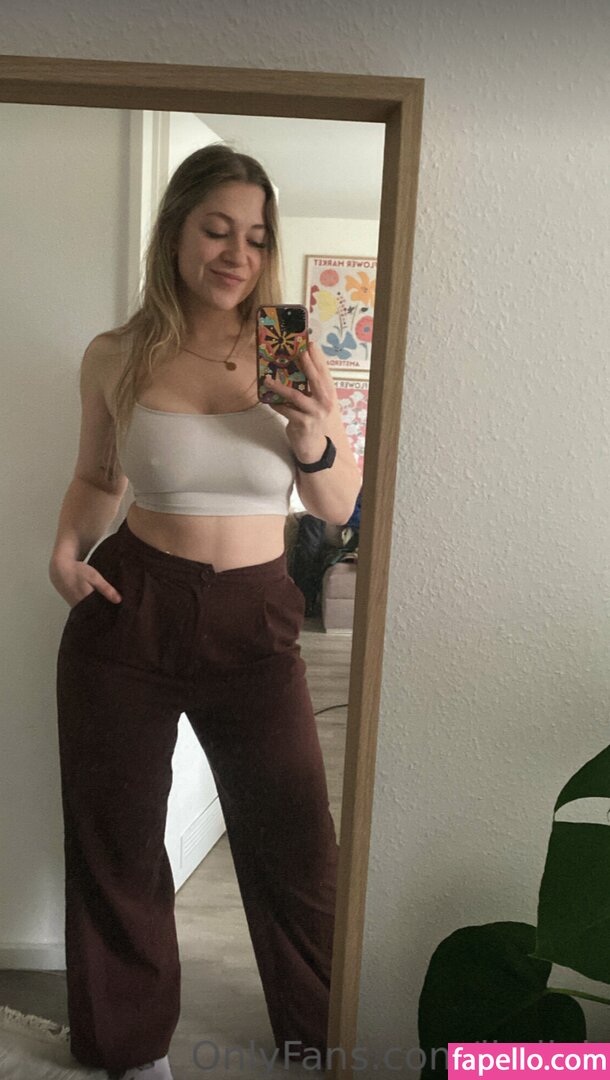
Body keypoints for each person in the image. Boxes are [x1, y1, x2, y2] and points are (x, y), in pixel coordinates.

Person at [48, 143, 362, 1080]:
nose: (237, 254)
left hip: (257, 619)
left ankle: (322, 1040)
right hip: (131, 606)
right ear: (176, 231)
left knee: (297, 846)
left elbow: (339, 506)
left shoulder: (288, 349)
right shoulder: (117, 354)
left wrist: (314, 437)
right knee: (117, 842)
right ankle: (130, 1052)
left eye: (256, 237)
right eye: (217, 229)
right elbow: (97, 477)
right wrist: (64, 553)